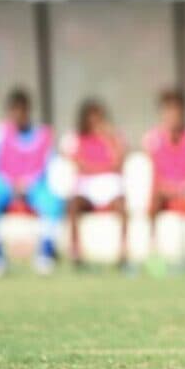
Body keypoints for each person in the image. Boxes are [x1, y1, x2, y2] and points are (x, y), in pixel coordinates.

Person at [0, 88, 65, 275]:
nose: (18, 115)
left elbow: (45, 163)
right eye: (14, 111)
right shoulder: (2, 134)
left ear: (28, 111)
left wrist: (27, 183)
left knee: (52, 202)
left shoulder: (43, 134)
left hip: (35, 186)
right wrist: (11, 183)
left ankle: (45, 252)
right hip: (6, 184)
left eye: (21, 110)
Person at [142, 89, 185, 271]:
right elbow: (155, 175)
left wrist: (183, 189)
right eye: (168, 111)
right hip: (164, 192)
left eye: (176, 111)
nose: (173, 116)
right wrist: (167, 189)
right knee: (154, 200)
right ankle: (153, 252)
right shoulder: (153, 139)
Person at [61, 99, 128, 267]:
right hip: (87, 186)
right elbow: (78, 163)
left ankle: (123, 251)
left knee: (121, 205)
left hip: (109, 185)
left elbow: (117, 161)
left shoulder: (112, 137)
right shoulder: (77, 138)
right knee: (74, 205)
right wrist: (100, 168)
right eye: (91, 116)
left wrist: (107, 138)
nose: (95, 121)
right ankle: (76, 251)